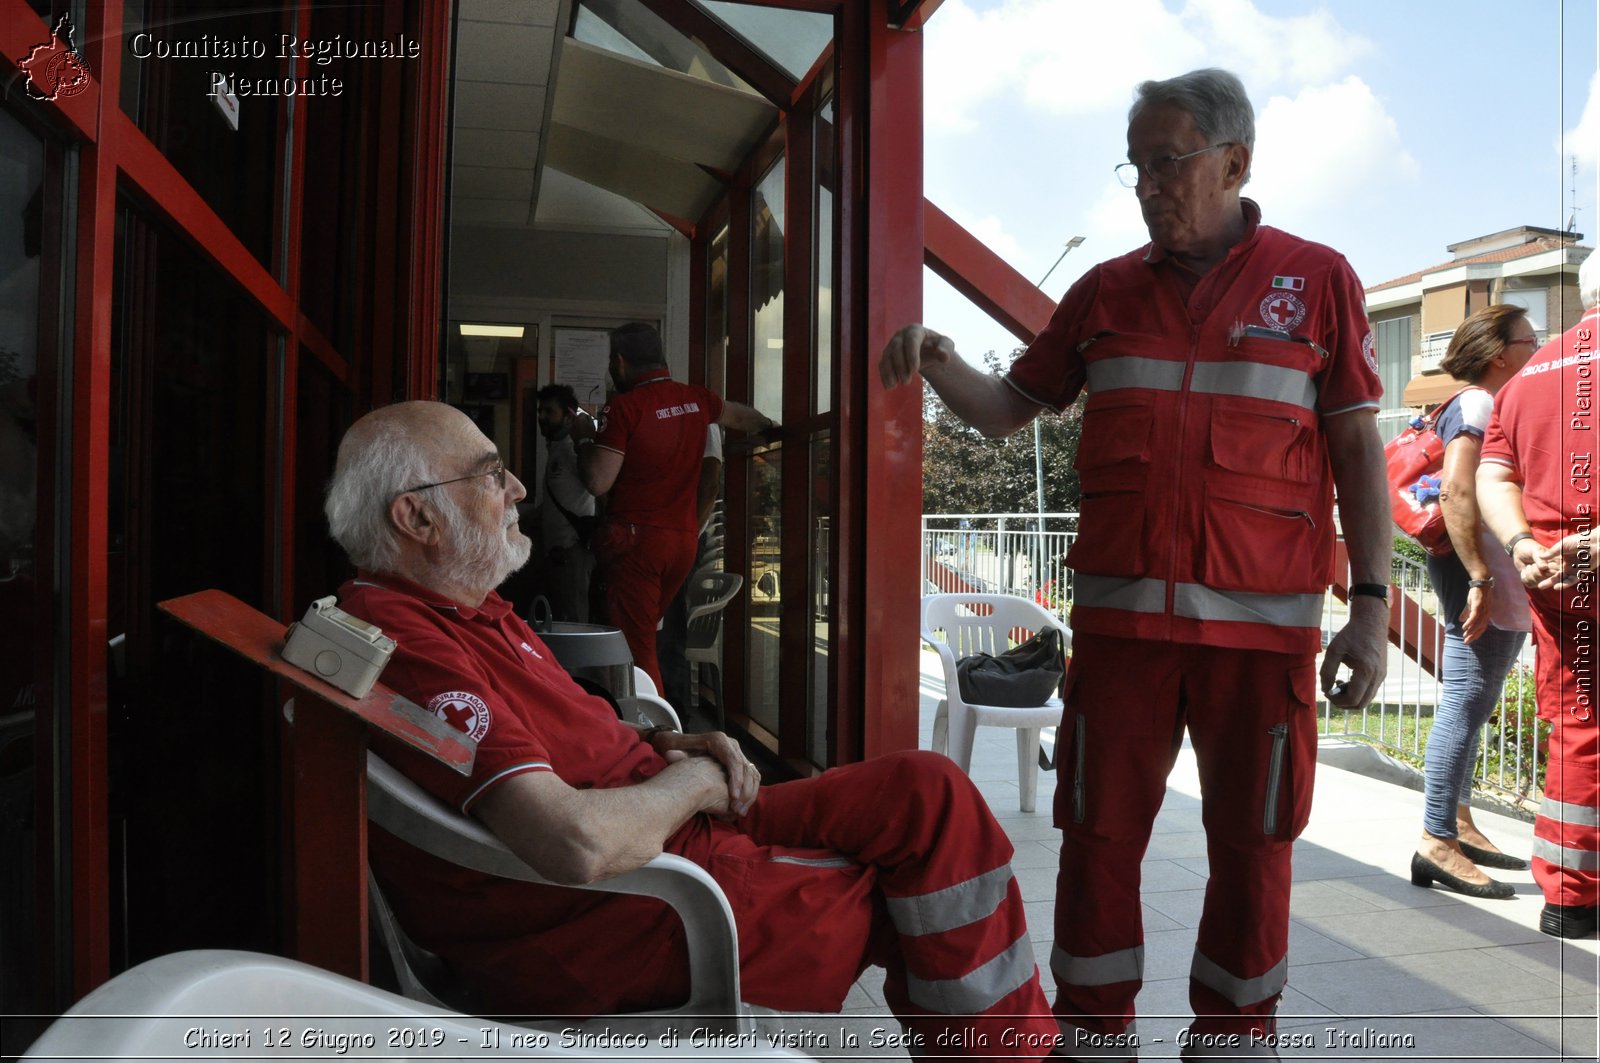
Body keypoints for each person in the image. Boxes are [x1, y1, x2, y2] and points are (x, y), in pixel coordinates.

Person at [880, 69, 1391, 1059]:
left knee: (1254, 847)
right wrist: (938, 357)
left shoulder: (1317, 278)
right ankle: (1092, 1033)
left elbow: (1357, 449)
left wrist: (1368, 606)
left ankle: (1236, 1034)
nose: (1150, 186)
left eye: (1170, 163)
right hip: (1121, 640)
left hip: (1261, 640)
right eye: (1139, 167)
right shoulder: (1104, 290)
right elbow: (1003, 410)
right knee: (1097, 841)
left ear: (1233, 162)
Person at [323, 400, 1056, 1055]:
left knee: (927, 788)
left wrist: (666, 744)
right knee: (931, 898)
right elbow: (573, 840)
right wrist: (696, 778)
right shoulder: (406, 644)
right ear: (414, 517)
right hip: (639, 897)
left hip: (668, 815)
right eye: (489, 475)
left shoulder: (472, 609)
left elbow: (561, 742)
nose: (518, 488)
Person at [1477, 250, 1600, 939]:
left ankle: (1568, 897)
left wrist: (1524, 544)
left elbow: (1495, 476)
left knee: (1578, 727)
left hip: (1555, 577)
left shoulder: (1529, 377)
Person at [1406, 306, 1536, 900]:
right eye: (1529, 341)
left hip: (1480, 566)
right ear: (1497, 356)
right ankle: (1436, 839)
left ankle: (1455, 822)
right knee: (1466, 696)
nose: (1538, 349)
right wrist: (1480, 576)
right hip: (1475, 567)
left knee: (1474, 697)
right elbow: (1459, 488)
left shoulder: (1479, 403)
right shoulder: (1480, 404)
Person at [574, 322, 773, 691]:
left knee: (635, 650)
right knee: (647, 634)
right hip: (681, 543)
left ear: (619, 362)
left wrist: (584, 441)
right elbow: (742, 417)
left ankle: (656, 732)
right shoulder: (697, 400)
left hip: (637, 544)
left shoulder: (626, 408)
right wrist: (771, 427)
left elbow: (598, 481)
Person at [533, 384, 596, 623]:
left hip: (572, 553)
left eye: (549, 412)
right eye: (540, 411)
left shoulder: (574, 451)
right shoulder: (557, 449)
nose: (542, 417)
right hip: (555, 555)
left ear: (569, 415)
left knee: (574, 622)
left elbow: (598, 486)